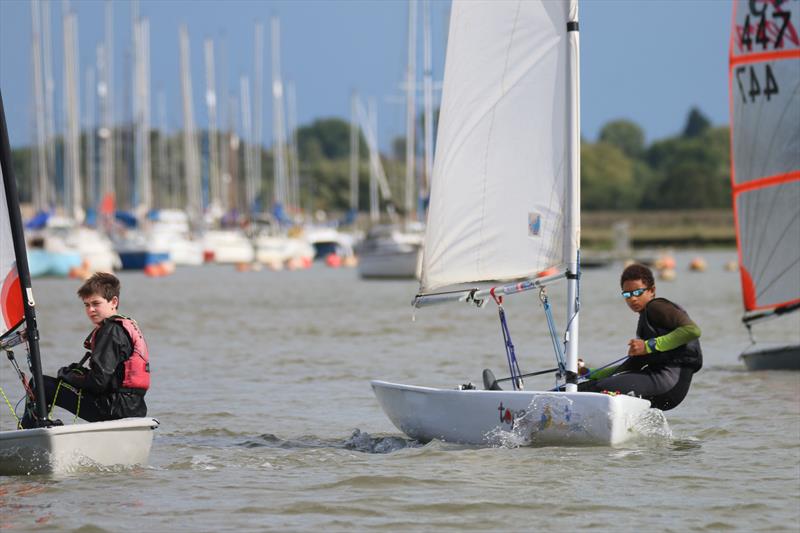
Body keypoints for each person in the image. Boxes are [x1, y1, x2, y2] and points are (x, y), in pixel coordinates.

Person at [21, 272, 149, 428]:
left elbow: (97, 383)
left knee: (40, 384)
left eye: (96, 303)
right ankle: (41, 426)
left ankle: (28, 432)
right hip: (134, 408)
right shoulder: (123, 326)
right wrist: (79, 374)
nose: (91, 310)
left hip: (112, 408)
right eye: (87, 305)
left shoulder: (110, 331)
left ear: (113, 302)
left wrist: (68, 376)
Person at [578, 263, 702, 410]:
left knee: (585, 391)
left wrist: (648, 345)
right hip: (667, 389)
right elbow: (630, 366)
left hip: (667, 383)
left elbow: (692, 330)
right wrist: (588, 372)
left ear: (652, 290)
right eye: (627, 294)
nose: (632, 299)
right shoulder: (647, 321)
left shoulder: (656, 307)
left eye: (637, 292)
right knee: (587, 387)